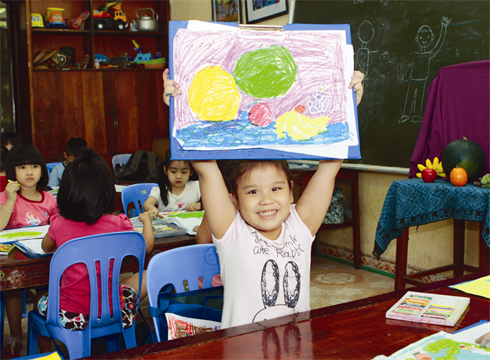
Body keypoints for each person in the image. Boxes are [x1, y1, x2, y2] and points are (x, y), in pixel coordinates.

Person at [35, 148, 155, 353]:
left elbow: (45, 247)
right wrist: (147, 221)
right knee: (145, 275)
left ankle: (50, 353)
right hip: (112, 312)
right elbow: (147, 245)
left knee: (44, 298)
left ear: (65, 193)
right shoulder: (118, 223)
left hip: (70, 315)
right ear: (107, 192)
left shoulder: (58, 224)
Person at [0, 143, 59, 359]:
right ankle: (15, 335)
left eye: (34, 166)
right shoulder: (5, 197)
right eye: (22, 167)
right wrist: (12, 199)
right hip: (15, 261)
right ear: (12, 172)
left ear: (42, 170)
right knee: (13, 287)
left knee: (46, 282)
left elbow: (57, 226)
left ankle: (41, 332)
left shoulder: (50, 199)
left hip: (41, 256)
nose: (29, 172)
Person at [143, 149, 201, 216]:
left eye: (184, 172)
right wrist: (152, 208)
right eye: (173, 171)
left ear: (191, 172)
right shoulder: (159, 190)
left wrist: (199, 205)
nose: (178, 176)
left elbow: (213, 202)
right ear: (165, 170)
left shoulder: (197, 186)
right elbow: (147, 204)